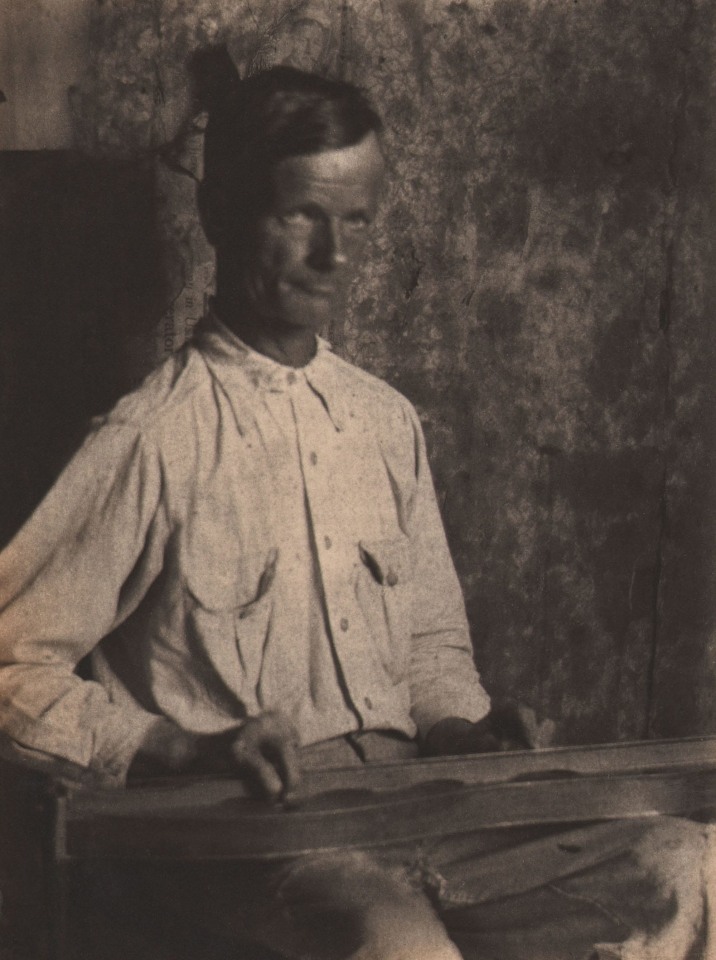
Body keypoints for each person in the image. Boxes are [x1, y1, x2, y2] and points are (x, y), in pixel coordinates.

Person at [0, 65, 711, 960]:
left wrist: (468, 729)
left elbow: (432, 656)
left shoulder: (385, 422)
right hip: (258, 843)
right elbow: (9, 664)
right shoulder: (154, 438)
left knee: (680, 863)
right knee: (399, 947)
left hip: (421, 809)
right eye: (301, 215)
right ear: (222, 215)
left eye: (359, 220)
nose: (334, 255)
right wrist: (181, 750)